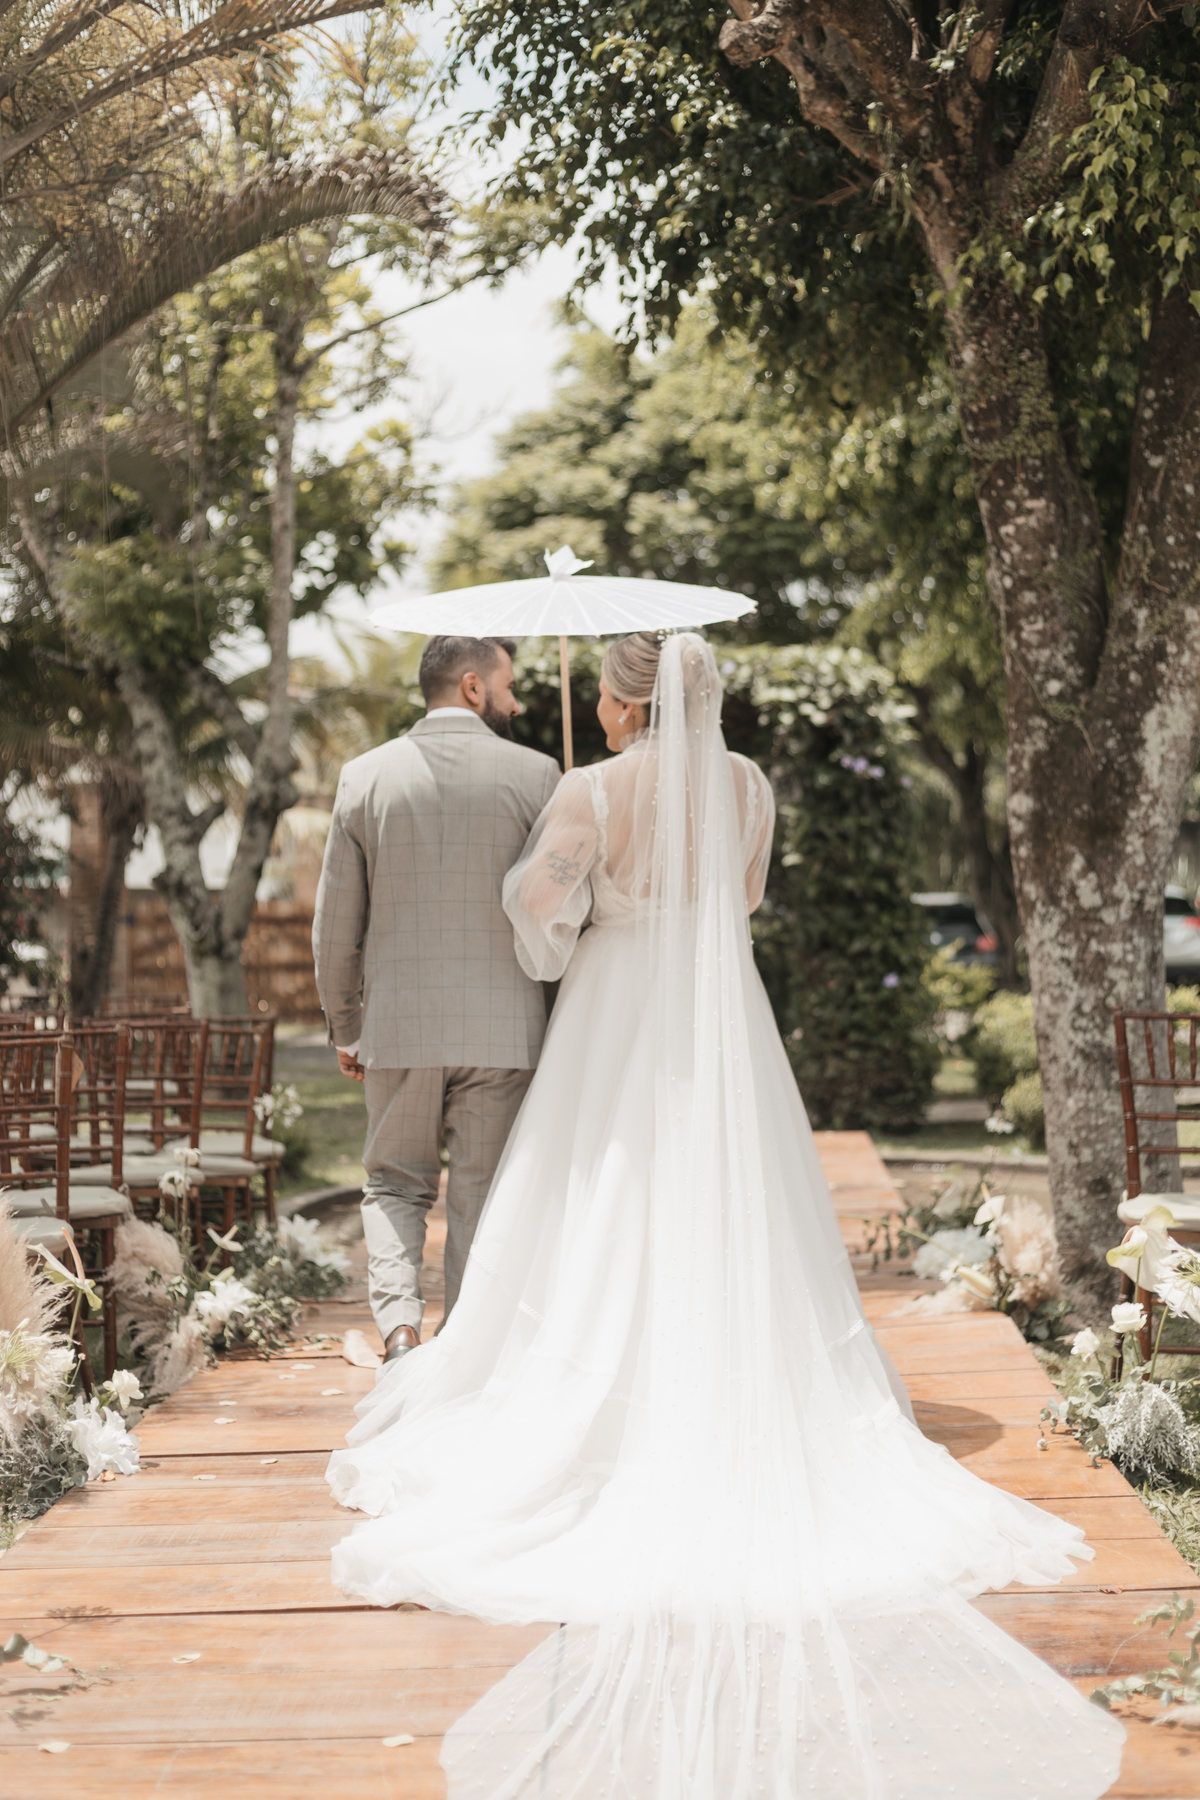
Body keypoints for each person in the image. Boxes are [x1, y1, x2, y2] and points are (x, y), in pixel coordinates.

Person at [325, 632, 1123, 1797]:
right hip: (720, 1018)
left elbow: (538, 917)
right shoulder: (747, 785)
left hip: (615, 1011)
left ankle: (601, 1394)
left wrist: (571, 910)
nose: (601, 714)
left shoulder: (590, 790)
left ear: (624, 702)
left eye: (607, 699)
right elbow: (742, 897)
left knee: (603, 1201)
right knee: (727, 1196)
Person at [312, 634, 559, 1363]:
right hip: (506, 1029)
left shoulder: (364, 777)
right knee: (482, 1191)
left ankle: (399, 1328)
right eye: (508, 686)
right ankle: (467, 1344)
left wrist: (346, 1026)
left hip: (399, 1027)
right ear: (473, 687)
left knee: (394, 1184)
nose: (517, 702)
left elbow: (334, 926)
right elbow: (558, 913)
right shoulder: (539, 775)